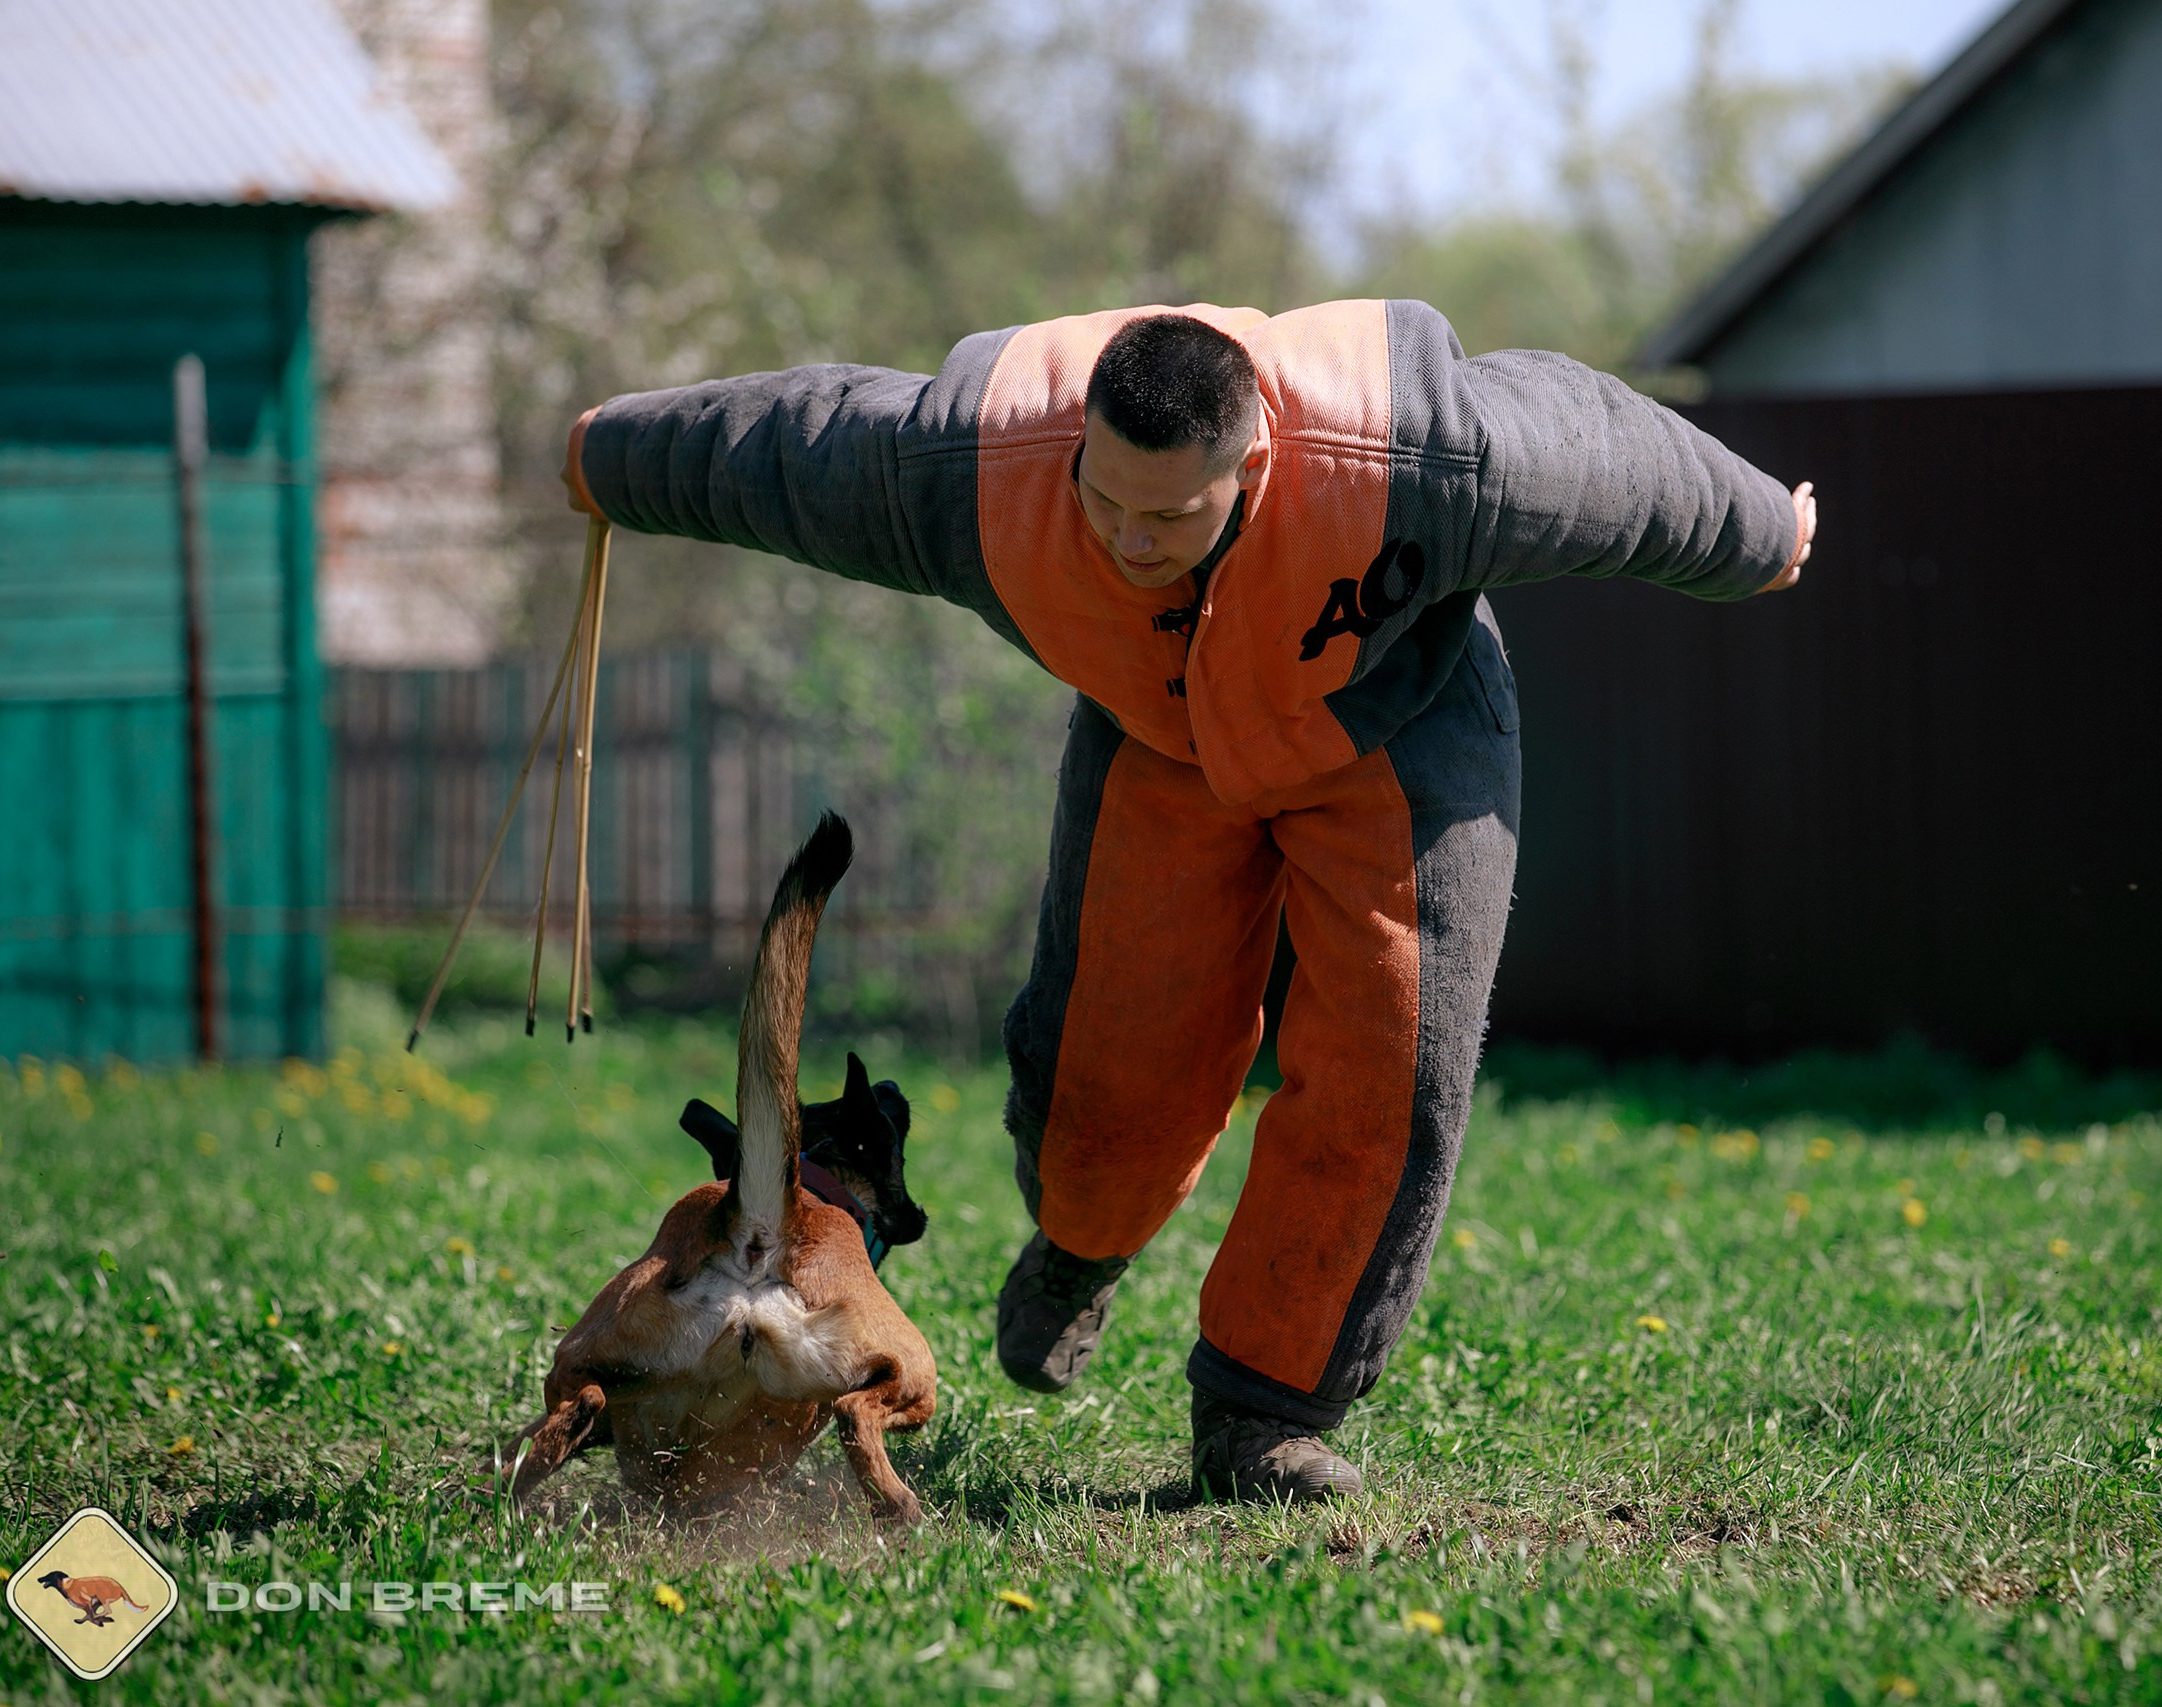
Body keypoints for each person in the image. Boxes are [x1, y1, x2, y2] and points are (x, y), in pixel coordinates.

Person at [564, 300, 1815, 1502]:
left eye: (1166, 513)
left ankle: (1262, 1417)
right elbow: (793, 443)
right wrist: (607, 454)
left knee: (1388, 1070)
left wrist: (1764, 531)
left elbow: (1612, 451)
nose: (1127, 538)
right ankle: (1078, 1245)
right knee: (1108, 1078)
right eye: (1102, 498)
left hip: (1404, 727)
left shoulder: (1431, 459)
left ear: (1252, 461)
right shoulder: (974, 469)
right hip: (1158, 741)